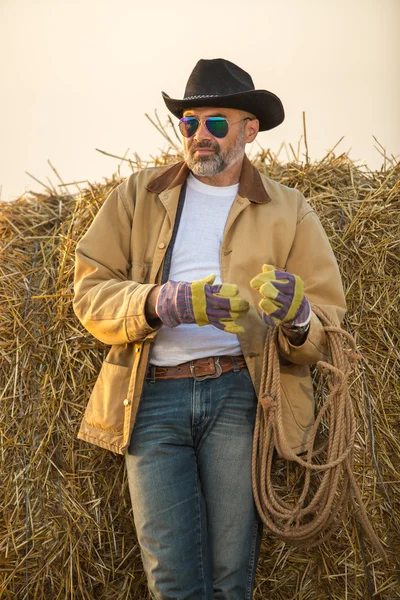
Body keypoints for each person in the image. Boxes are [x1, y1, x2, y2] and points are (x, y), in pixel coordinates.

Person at [73, 58, 346, 599]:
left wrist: (296, 316)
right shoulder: (136, 195)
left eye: (215, 123)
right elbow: (89, 289)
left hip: (238, 398)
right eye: (189, 123)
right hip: (150, 400)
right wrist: (161, 301)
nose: (200, 135)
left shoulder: (291, 210)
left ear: (249, 130)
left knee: (229, 578)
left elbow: (327, 322)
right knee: (172, 580)